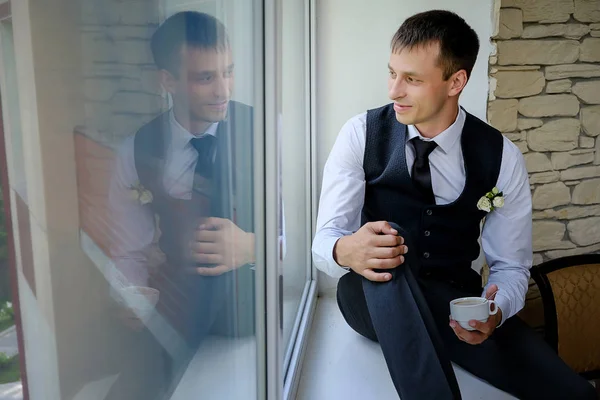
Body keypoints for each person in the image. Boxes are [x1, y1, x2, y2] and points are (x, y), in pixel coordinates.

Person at [312, 9, 596, 400]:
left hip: (455, 303)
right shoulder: (360, 134)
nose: (394, 90)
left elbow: (510, 265)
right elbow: (324, 239)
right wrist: (345, 249)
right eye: (392, 73)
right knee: (386, 245)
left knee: (571, 391)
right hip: (373, 299)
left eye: (411, 79)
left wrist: (495, 310)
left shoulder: (501, 156)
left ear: (456, 81)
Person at [107, 11, 257, 398]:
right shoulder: (135, 150)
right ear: (167, 80)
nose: (224, 90)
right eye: (206, 78)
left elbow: (301, 239)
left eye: (229, 72)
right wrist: (130, 293)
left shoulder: (263, 134)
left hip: (247, 310)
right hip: (176, 306)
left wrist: (252, 247)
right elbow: (129, 248)